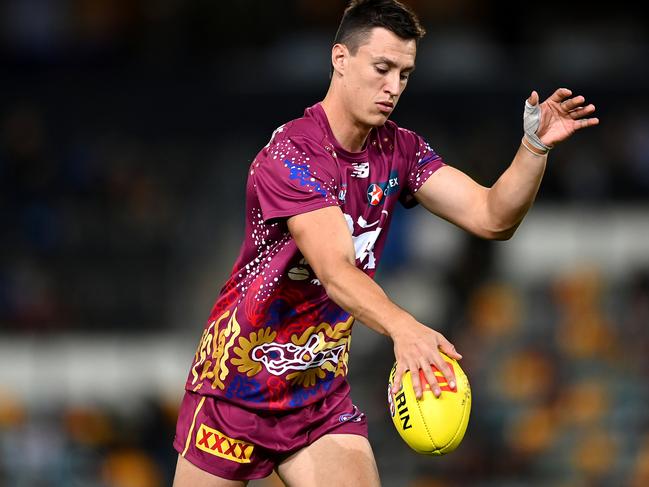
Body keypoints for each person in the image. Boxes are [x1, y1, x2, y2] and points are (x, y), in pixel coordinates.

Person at [172, 0, 599, 485]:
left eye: (405, 73)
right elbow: (335, 272)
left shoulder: (401, 149)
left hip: (317, 395)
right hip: (236, 388)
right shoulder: (291, 155)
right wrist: (405, 328)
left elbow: (491, 217)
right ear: (340, 59)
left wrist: (534, 148)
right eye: (382, 68)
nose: (393, 87)